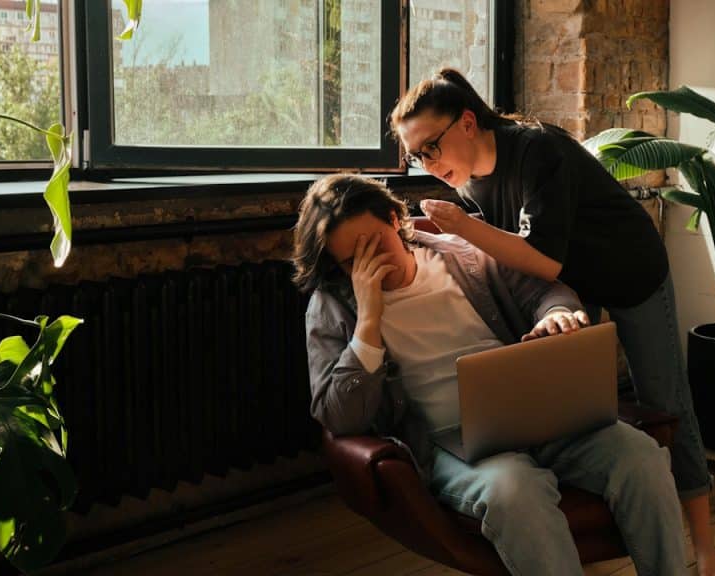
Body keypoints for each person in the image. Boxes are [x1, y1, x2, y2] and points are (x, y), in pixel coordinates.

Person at [390, 68, 715, 576]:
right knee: (571, 408)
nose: (428, 164)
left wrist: (460, 228)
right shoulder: (467, 182)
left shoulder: (535, 151)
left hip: (629, 271)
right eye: (417, 155)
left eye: (431, 147)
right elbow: (517, 263)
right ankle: (568, 541)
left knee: (665, 400)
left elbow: (542, 259)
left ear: (465, 122)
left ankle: (704, 547)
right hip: (566, 288)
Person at [293, 174, 687, 576]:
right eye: (351, 261)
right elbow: (338, 415)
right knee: (515, 493)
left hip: (537, 414)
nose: (370, 265)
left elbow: (544, 292)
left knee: (640, 457)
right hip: (454, 444)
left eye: (376, 245)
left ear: (395, 218)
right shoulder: (332, 308)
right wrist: (369, 322)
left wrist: (558, 314)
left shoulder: (462, 254)